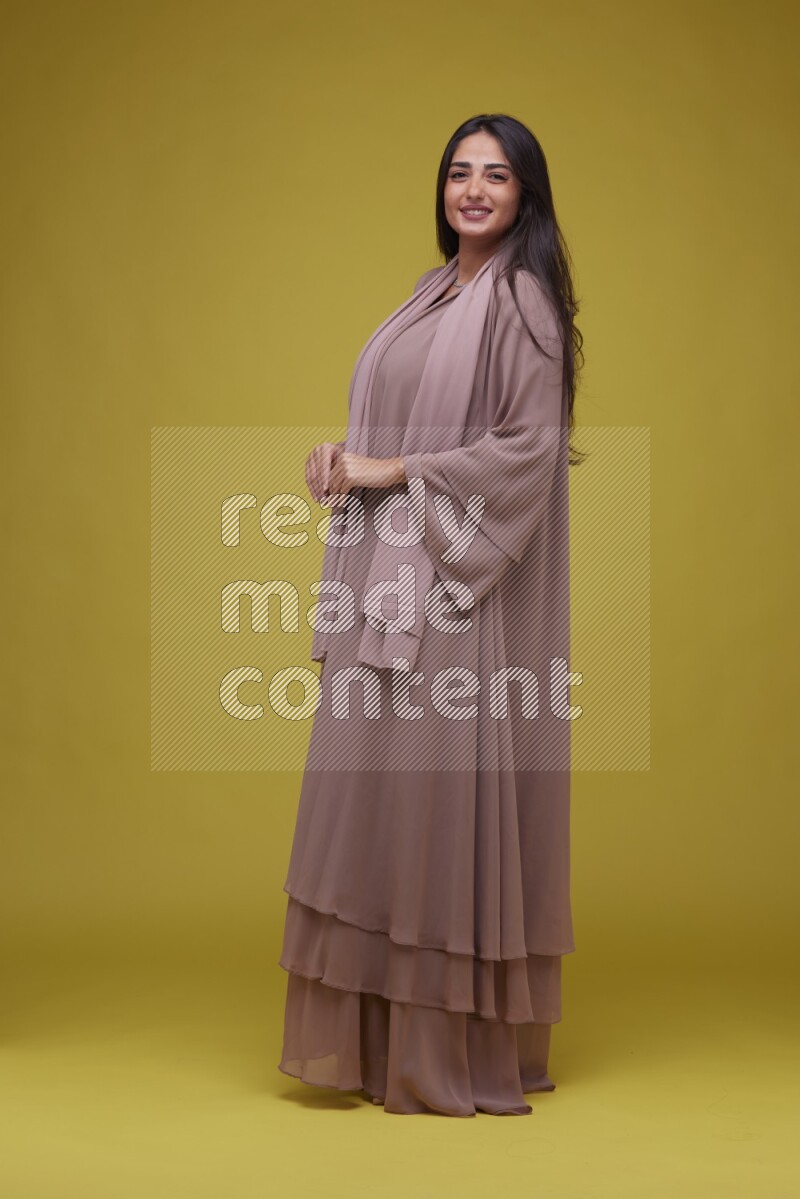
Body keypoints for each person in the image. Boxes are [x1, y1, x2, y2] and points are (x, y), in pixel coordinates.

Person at [277, 113, 584, 1117]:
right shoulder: (430, 292)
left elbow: (524, 452)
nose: (473, 189)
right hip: (385, 571)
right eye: (459, 172)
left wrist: (396, 468)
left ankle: (436, 1046)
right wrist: (346, 463)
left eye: (496, 175)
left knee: (432, 804)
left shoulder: (522, 301)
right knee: (376, 793)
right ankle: (374, 1044)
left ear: (524, 193)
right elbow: (391, 431)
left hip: (457, 586)